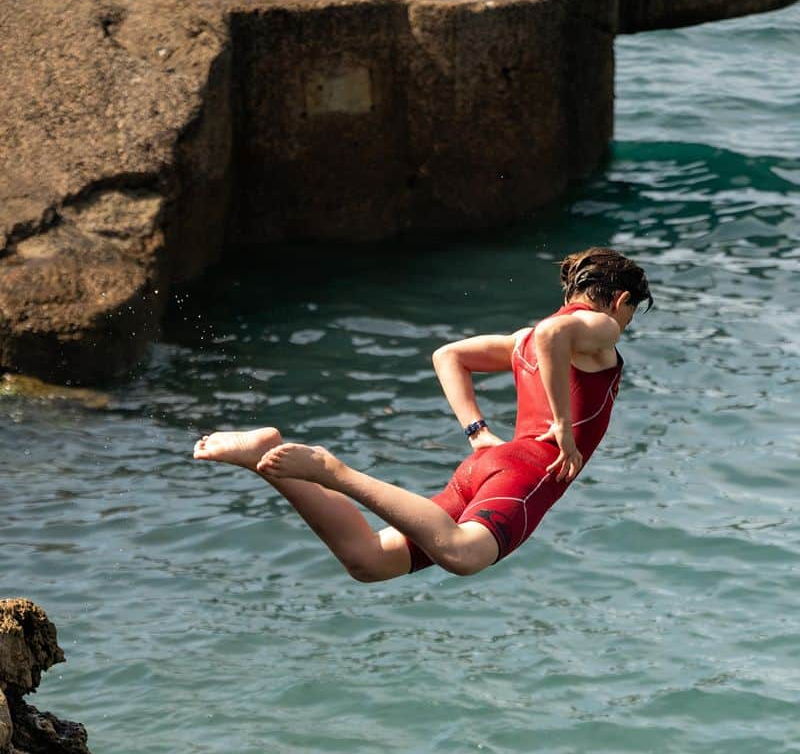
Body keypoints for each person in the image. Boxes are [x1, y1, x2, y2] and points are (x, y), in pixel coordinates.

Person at [193, 247, 652, 583]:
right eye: (632, 313)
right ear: (619, 300)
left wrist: (477, 431)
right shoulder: (600, 327)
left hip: (492, 465)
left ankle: (264, 455)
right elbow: (556, 331)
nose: (626, 326)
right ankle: (333, 471)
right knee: (463, 555)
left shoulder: (521, 339)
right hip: (528, 473)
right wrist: (564, 430)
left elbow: (448, 355)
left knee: (369, 560)